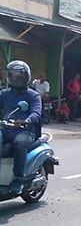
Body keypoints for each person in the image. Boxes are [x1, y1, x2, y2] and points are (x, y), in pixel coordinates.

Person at [0, 60, 42, 194]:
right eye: (12, 75)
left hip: (26, 130)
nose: (15, 78)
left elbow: (36, 112)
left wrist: (26, 121)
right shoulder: (4, 94)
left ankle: (18, 178)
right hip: (6, 129)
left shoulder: (33, 95)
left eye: (19, 75)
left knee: (19, 143)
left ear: (26, 76)